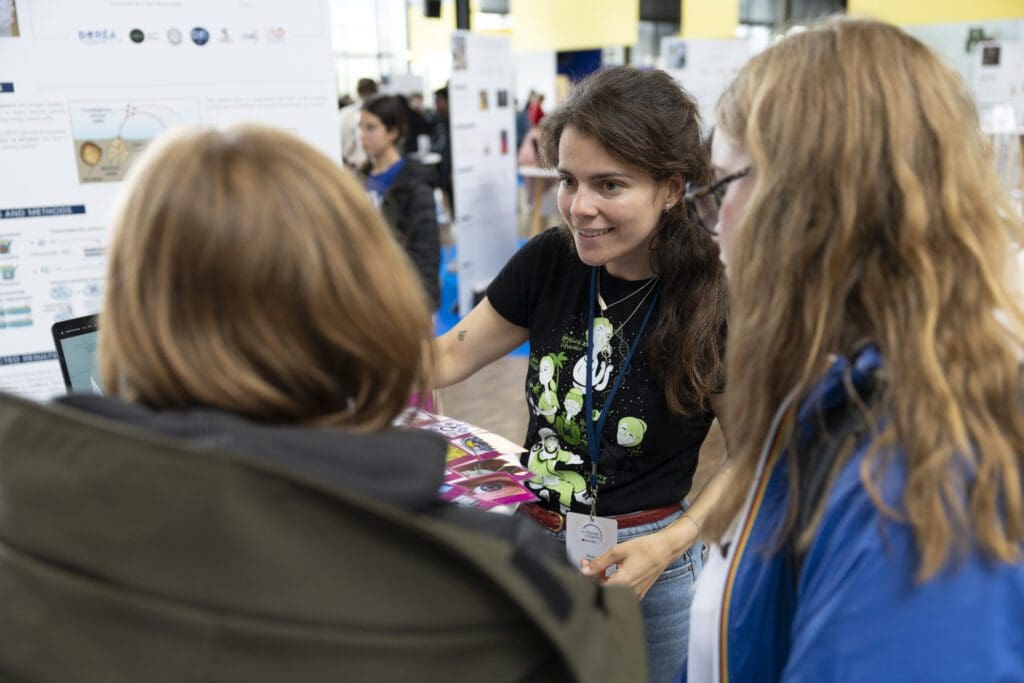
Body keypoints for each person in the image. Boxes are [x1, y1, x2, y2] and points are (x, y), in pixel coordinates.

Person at [0, 124, 650, 680]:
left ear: (128, 304)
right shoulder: (511, 590)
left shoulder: (27, 515)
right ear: (359, 298)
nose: (580, 206)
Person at [682, 18, 1024, 682]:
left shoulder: (919, 480)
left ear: (810, 202)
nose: (714, 222)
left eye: (724, 186)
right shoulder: (840, 398)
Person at [436, 66, 730, 683]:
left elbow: (754, 450)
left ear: (672, 188)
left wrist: (675, 541)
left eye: (610, 185)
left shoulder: (710, 296)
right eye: (568, 180)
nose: (579, 207)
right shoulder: (550, 260)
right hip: (535, 543)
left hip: (647, 561)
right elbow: (446, 357)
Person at [359, 94, 441, 310]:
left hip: (399, 295)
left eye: (371, 128)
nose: (363, 136)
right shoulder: (360, 179)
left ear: (393, 132)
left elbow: (426, 250)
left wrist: (425, 304)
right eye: (361, 128)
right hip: (365, 294)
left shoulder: (414, 184)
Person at [338, 76, 377, 168]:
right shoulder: (376, 114)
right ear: (376, 91)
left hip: (349, 166)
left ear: (357, 92)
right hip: (369, 167)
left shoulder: (344, 113)